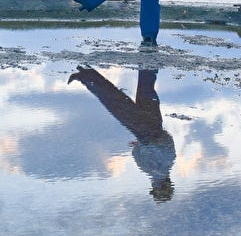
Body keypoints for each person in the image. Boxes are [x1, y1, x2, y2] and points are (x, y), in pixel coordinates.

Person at [68, 66, 176, 202]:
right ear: (158, 186)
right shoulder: (153, 169)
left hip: (155, 123)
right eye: (154, 188)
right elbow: (137, 153)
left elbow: (167, 139)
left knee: (146, 87)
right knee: (115, 102)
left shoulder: (170, 161)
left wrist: (149, 140)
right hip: (142, 130)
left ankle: (148, 50)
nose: (152, 186)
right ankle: (86, 76)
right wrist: (143, 143)